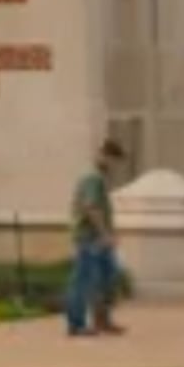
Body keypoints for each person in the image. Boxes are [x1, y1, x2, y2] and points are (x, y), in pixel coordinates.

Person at [66, 138, 127, 337]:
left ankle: (103, 320)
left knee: (107, 277)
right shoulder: (93, 178)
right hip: (90, 238)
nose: (115, 166)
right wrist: (105, 235)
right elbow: (91, 208)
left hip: (98, 239)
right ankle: (77, 324)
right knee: (84, 280)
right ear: (105, 156)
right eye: (113, 160)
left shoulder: (99, 178)